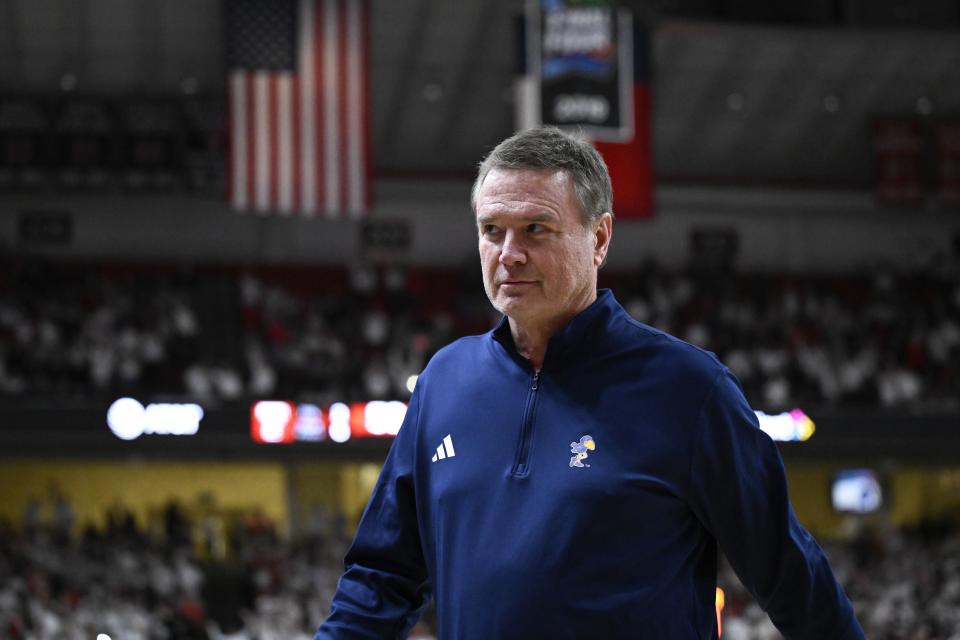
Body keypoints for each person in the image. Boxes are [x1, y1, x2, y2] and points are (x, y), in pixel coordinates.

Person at [315, 127, 865, 639]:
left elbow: (789, 573)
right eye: (492, 231)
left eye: (536, 228)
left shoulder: (688, 390)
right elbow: (381, 577)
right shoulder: (445, 381)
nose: (508, 253)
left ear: (599, 237)